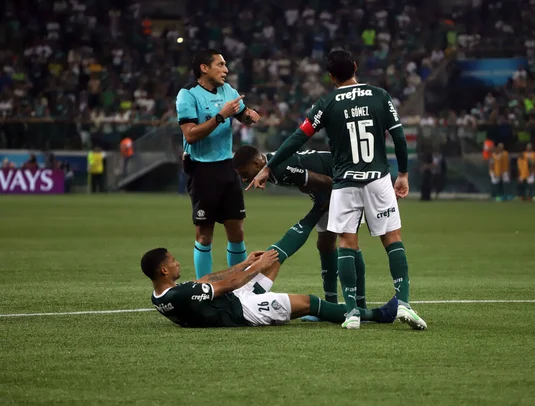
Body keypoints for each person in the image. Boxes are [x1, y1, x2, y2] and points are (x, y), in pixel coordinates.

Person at [247, 50, 427, 330]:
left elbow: (298, 137)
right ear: (355, 67)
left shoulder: (326, 103)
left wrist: (270, 165)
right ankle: (403, 303)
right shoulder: (379, 95)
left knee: (346, 242)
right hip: (378, 177)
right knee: (392, 238)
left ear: (331, 77)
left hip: (345, 181)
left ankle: (353, 312)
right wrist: (402, 173)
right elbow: (399, 137)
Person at [233, 145, 368, 320]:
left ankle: (361, 305)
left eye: (245, 173)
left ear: (258, 163)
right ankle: (332, 306)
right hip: (325, 190)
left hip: (342, 182)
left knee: (349, 243)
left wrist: (324, 203)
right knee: (325, 244)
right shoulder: (270, 168)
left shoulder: (281, 168)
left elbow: (326, 181)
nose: (244, 179)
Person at [141, 248, 399, 328]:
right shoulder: (181, 294)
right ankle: (379, 315)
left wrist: (246, 263)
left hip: (232, 300)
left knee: (273, 256)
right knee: (309, 302)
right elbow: (228, 284)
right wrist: (254, 267)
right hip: (242, 311)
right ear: (163, 270)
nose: (177, 263)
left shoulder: (159, 297)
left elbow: (207, 279)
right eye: (172, 261)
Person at [176, 49, 261, 279]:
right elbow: (191, 135)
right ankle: (205, 286)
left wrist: (249, 115)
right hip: (202, 169)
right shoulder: (188, 94)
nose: (226, 69)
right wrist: (221, 116)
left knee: (237, 231)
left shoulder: (228, 90)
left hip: (227, 166)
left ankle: (239, 285)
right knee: (205, 233)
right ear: (204, 68)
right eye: (221, 65)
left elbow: (241, 114)